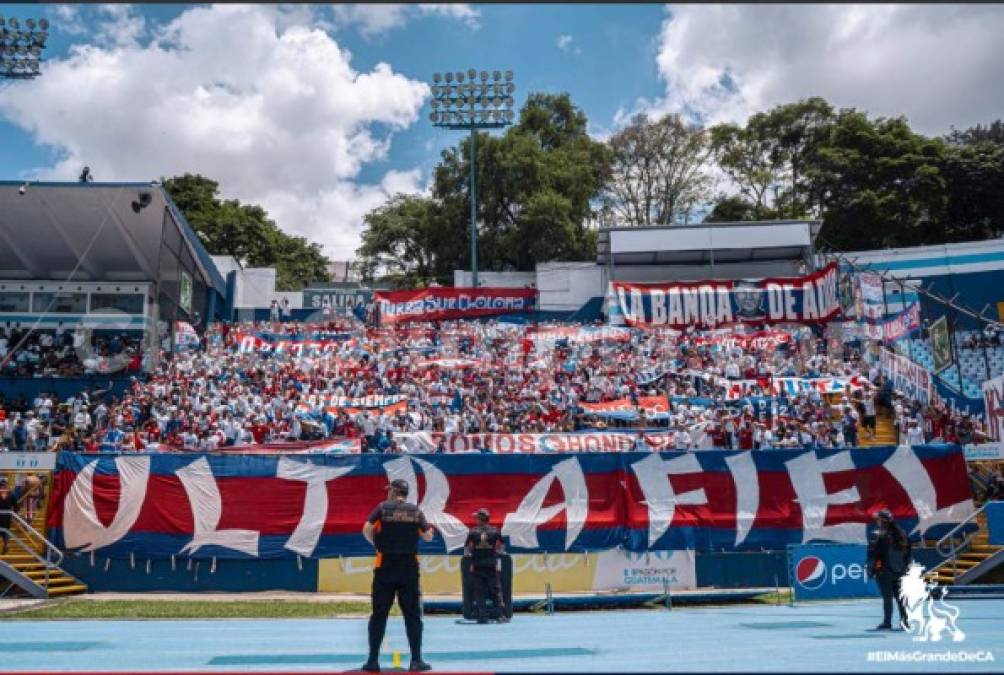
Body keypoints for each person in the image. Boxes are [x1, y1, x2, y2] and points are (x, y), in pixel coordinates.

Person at [361, 478, 435, 673]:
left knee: (379, 614)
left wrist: (377, 544)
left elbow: (366, 528)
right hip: (409, 567)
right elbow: (428, 536)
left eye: (389, 490)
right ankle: (416, 660)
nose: (387, 493)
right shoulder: (416, 511)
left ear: (394, 491)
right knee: (412, 615)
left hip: (385, 566)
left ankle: (372, 661)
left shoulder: (382, 508)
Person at [866, 509, 912, 631]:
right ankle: (905, 621)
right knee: (901, 598)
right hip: (900, 571)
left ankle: (887, 622)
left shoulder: (877, 534)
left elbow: (873, 555)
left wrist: (871, 570)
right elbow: (908, 555)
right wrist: (905, 569)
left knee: (887, 598)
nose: (876, 521)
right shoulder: (903, 534)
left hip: (884, 571)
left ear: (881, 521)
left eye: (878, 519)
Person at [463, 508, 506, 623]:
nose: (476, 519)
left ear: (480, 519)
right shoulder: (495, 531)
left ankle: (483, 616)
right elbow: (502, 546)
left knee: (479, 591)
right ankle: (500, 615)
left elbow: (466, 548)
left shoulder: (473, 532)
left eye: (477, 517)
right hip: (491, 565)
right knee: (496, 590)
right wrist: (496, 553)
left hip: (478, 565)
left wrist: (471, 554)